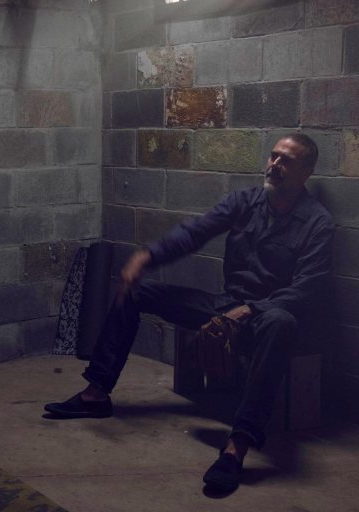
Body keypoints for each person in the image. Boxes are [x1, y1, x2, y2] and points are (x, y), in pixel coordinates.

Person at [44, 133, 334, 492]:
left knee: (280, 322)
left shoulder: (318, 223)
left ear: (306, 171)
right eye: (273, 156)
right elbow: (194, 233)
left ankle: (237, 444)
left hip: (269, 315)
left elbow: (306, 290)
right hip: (226, 305)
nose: (274, 165)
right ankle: (95, 394)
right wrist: (147, 257)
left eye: (286, 160)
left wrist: (250, 310)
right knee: (138, 291)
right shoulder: (245, 201)